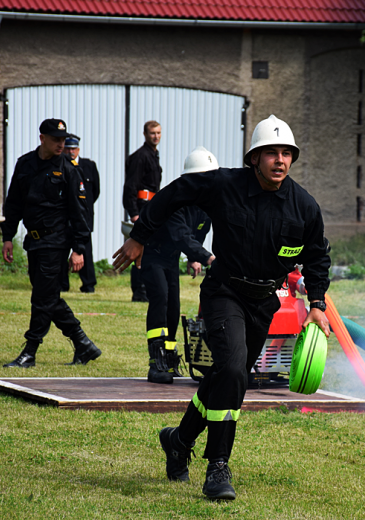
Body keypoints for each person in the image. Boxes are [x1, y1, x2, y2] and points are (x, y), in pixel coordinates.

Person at [112, 115, 331, 501]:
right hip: (224, 293)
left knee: (224, 379)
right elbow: (176, 192)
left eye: (285, 153)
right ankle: (217, 466)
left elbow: (317, 258)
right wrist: (140, 236)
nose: (279, 160)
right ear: (254, 158)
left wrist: (316, 304)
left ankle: (178, 440)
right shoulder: (225, 184)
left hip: (264, 302)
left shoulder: (304, 208)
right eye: (270, 153)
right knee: (232, 371)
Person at [0, 118, 101, 368]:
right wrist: (7, 236)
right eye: (56, 139)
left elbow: (80, 212)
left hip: (56, 241)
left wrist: (79, 249)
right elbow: (13, 203)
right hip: (33, 241)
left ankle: (30, 351)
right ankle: (83, 345)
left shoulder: (68, 169)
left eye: (63, 140)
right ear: (42, 138)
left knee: (41, 298)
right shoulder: (24, 164)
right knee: (48, 296)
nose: (61, 144)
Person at [143, 146, 217, 384]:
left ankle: (170, 358)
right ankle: (156, 361)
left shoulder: (206, 206)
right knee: (161, 299)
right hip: (154, 256)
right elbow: (181, 235)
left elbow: (198, 233)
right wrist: (206, 257)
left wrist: (194, 257)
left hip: (172, 259)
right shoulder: (175, 201)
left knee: (174, 307)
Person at [122, 121, 162, 302]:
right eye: (152, 133)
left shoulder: (153, 155)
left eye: (158, 133)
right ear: (145, 134)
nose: (156, 136)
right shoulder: (140, 157)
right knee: (139, 249)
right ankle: (139, 292)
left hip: (151, 209)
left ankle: (145, 290)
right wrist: (134, 213)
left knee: (148, 250)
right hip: (142, 209)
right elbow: (130, 187)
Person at [63, 134, 100, 293]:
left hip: (83, 217)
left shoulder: (88, 166)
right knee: (61, 251)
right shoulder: (59, 166)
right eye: (68, 149)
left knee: (85, 250)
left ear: (78, 149)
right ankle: (62, 284)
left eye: (74, 149)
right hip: (64, 217)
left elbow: (95, 191)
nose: (71, 152)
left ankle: (88, 284)